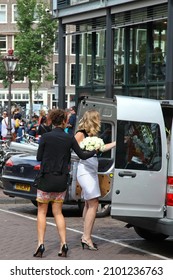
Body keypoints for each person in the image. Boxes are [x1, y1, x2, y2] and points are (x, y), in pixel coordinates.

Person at [34, 108, 97, 258]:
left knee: (42, 212)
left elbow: (38, 157)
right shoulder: (69, 138)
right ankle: (63, 243)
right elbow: (82, 155)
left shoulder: (45, 137)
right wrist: (95, 150)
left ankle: (40, 244)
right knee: (58, 212)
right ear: (64, 121)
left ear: (51, 120)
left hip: (46, 179)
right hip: (61, 180)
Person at [75, 109, 116, 250]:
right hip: (84, 171)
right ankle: (86, 237)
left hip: (92, 171)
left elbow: (102, 148)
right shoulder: (80, 134)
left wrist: (117, 142)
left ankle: (85, 235)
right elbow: (73, 150)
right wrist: (88, 151)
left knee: (89, 203)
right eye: (98, 118)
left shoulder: (93, 136)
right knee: (94, 202)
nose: (99, 121)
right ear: (93, 120)